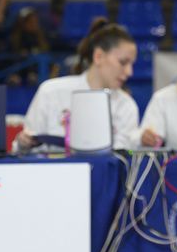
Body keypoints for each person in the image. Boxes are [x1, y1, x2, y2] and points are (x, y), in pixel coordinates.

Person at [15, 19, 139, 152]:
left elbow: (122, 162)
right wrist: (23, 143)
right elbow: (21, 149)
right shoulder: (51, 92)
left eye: (132, 64)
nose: (129, 72)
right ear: (98, 56)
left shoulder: (127, 106)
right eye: (123, 62)